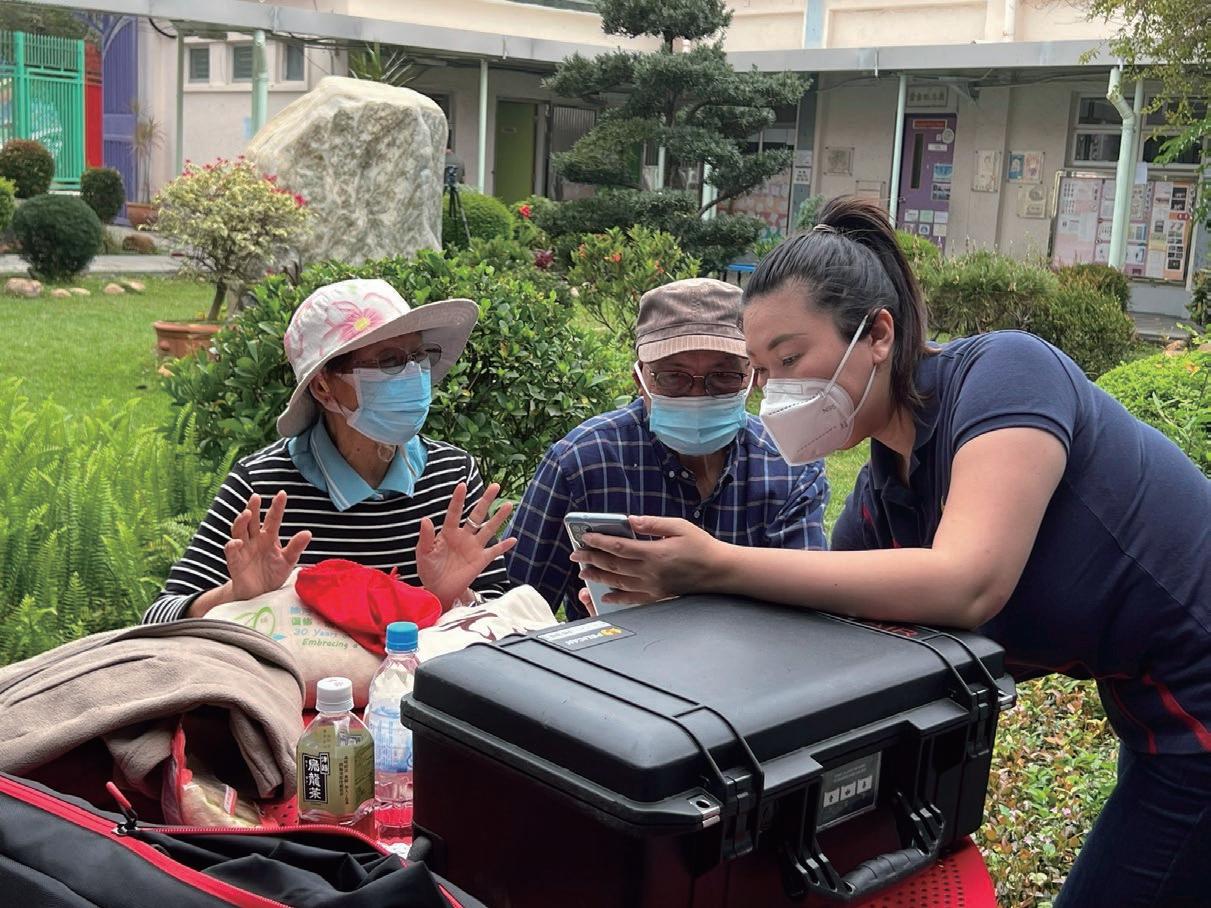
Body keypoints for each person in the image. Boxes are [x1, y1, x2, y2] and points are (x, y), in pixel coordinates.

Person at [569, 197, 1210, 907]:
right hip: (1153, 709)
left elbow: (968, 582)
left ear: (877, 333)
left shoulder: (1007, 375)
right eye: (762, 371)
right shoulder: (883, 496)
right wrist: (670, 614)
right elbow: (824, 649)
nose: (774, 393)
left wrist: (716, 564)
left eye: (790, 358)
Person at [145, 278, 515, 624]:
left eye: (419, 356)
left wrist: (454, 597)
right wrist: (236, 595)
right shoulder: (262, 486)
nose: (413, 373)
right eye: (389, 360)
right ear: (323, 387)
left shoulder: (453, 476)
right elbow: (158, 617)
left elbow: (503, 615)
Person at [504, 277, 828, 619]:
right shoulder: (581, 462)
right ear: (640, 379)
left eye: (724, 375)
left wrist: (686, 598)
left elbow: (810, 611)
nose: (698, 395)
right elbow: (514, 608)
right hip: (615, 652)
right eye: (673, 376)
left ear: (751, 376)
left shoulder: (789, 465)